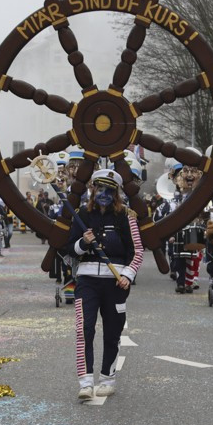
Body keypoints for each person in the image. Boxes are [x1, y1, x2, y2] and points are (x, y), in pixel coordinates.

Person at [68, 169, 143, 400]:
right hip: (87, 281)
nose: (103, 194)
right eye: (99, 189)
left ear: (116, 193)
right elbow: (69, 249)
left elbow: (137, 251)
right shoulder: (81, 215)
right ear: (92, 190)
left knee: (112, 333)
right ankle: (85, 382)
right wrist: (83, 242)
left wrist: (127, 275)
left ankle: (107, 379)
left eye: (109, 190)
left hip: (116, 283)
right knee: (84, 330)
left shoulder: (127, 216)